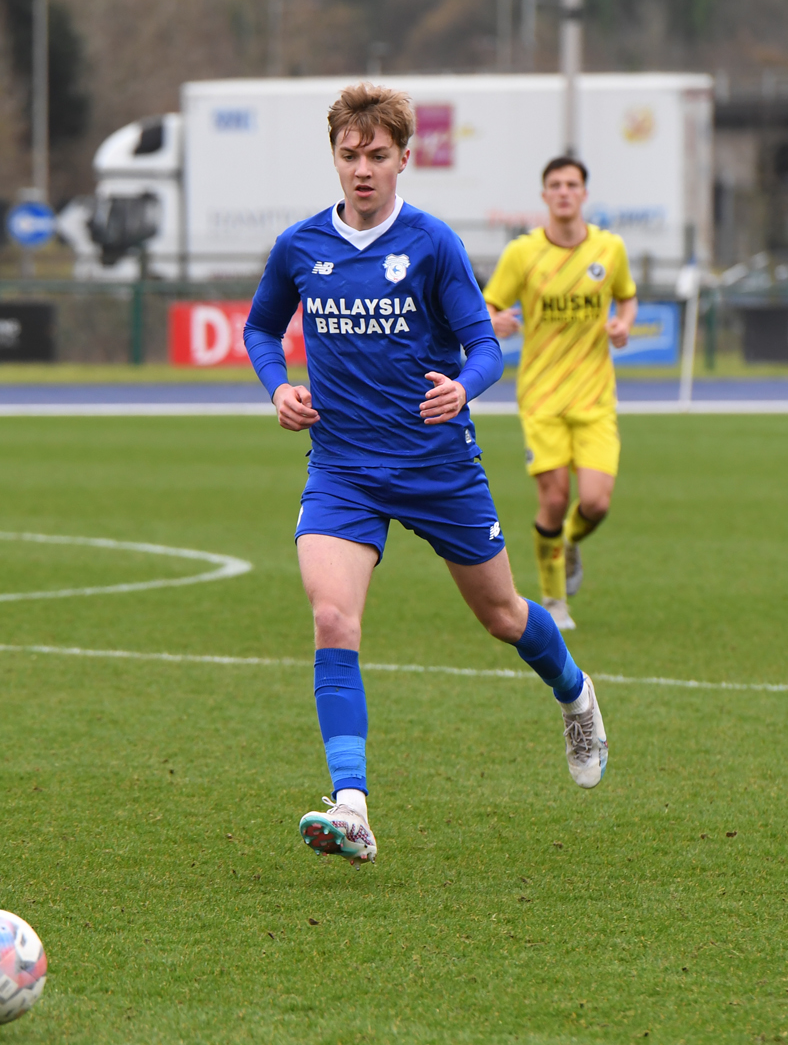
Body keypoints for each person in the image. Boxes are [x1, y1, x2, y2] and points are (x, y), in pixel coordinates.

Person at [242, 83, 609, 868]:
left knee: (504, 615)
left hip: (438, 468)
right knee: (332, 621)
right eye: (350, 155)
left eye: (378, 155)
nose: (363, 169)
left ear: (405, 158)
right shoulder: (301, 247)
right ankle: (352, 805)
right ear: (334, 158)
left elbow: (485, 345)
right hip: (342, 469)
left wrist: (462, 387)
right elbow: (261, 325)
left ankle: (575, 692)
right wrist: (278, 385)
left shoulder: (433, 244)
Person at [481, 158, 638, 630]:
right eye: (555, 185)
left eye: (572, 184)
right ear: (545, 196)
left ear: (585, 194)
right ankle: (553, 601)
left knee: (596, 502)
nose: (564, 192)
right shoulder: (522, 254)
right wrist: (495, 321)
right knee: (552, 499)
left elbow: (627, 295)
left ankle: (566, 544)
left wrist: (623, 324)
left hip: (594, 397)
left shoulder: (610, 249)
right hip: (541, 397)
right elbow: (486, 307)